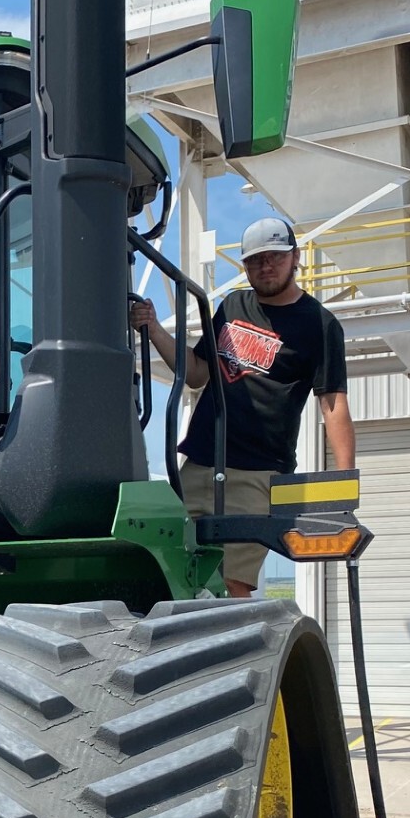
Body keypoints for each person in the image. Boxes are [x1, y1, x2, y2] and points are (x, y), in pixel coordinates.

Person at [131, 215, 355, 598]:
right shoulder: (232, 305)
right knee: (170, 572)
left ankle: (233, 657)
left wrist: (344, 487)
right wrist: (153, 328)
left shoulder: (319, 324)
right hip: (200, 463)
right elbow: (198, 373)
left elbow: (332, 404)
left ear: (295, 258)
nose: (265, 266)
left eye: (275, 257)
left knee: (231, 581)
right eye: (255, 260)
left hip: (258, 473)